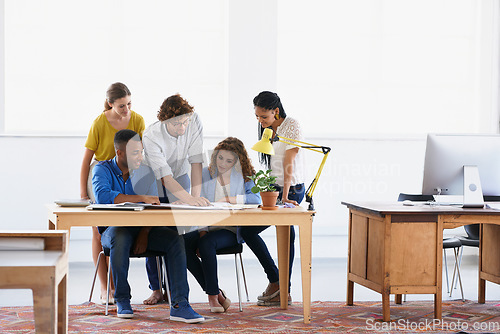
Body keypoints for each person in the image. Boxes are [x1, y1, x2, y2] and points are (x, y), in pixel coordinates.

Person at [92, 129, 204, 323]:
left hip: (143, 229)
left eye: (141, 151)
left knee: (174, 239)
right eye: (135, 153)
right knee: (120, 236)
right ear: (119, 153)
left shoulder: (145, 171)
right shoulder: (101, 169)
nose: (140, 157)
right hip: (114, 230)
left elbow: (153, 205)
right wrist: (141, 198)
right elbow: (104, 197)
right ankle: (122, 299)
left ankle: (179, 304)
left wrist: (144, 232)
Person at [80, 82, 145, 304]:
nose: (126, 109)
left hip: (128, 174)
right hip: (102, 175)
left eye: (129, 104)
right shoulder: (99, 122)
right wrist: (82, 192)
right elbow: (87, 159)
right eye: (121, 106)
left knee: (122, 227)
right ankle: (105, 287)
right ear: (110, 103)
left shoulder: (137, 119)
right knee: (98, 232)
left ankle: (124, 286)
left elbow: (141, 151)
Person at [142, 94, 211, 303]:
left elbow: (196, 162)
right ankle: (156, 288)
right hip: (155, 178)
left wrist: (194, 201)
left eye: (184, 122)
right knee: (154, 229)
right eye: (177, 124)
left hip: (181, 174)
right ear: (165, 122)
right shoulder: (151, 135)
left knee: (177, 234)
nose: (182, 127)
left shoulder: (193, 119)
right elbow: (165, 177)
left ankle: (175, 292)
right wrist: (189, 200)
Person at [239, 91, 306, 306]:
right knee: (247, 230)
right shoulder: (268, 128)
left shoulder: (291, 126)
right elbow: (272, 164)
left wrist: (285, 197)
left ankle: (281, 287)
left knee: (286, 235)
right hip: (274, 188)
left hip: (291, 189)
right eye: (257, 117)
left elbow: (289, 164)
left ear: (276, 111)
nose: (260, 121)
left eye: (264, 117)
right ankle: (278, 282)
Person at [183, 137, 261, 313]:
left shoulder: (244, 175)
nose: (223, 164)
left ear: (237, 161)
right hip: (206, 226)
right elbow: (197, 202)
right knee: (181, 243)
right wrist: (202, 231)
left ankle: (212, 297)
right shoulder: (205, 173)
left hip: (230, 230)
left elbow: (255, 199)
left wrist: (229, 199)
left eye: (229, 160)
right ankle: (217, 292)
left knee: (206, 243)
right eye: (220, 158)